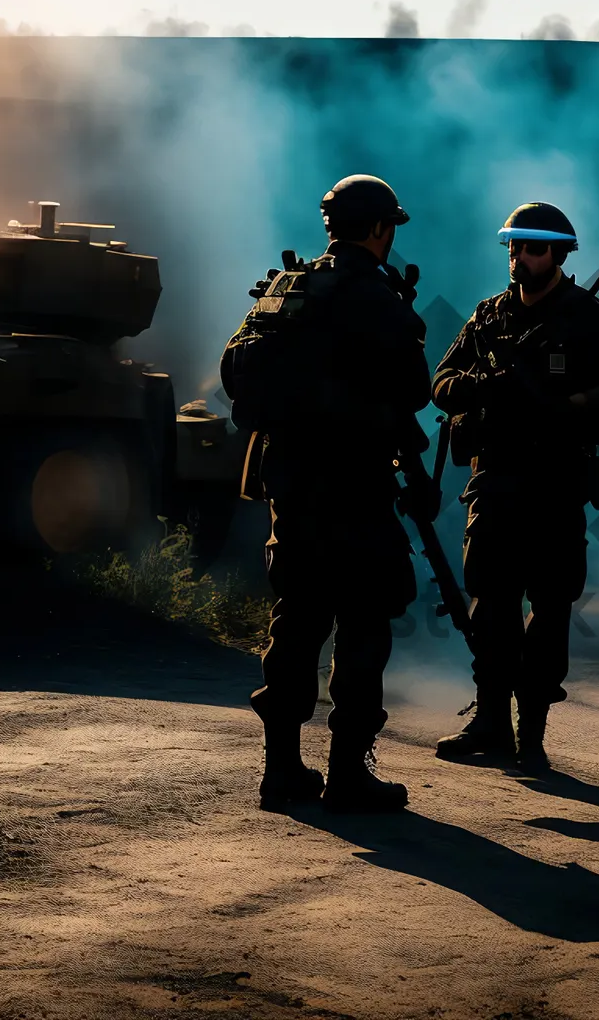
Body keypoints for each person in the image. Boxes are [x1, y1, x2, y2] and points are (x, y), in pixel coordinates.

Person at [220, 174, 433, 813]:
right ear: (377, 228)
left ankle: (281, 771)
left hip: (292, 485)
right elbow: (416, 390)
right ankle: (348, 773)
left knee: (298, 620)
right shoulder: (376, 295)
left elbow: (238, 365)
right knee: (365, 620)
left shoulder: (290, 288)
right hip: (356, 484)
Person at [430, 203, 599, 771]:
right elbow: (440, 383)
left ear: (560, 254)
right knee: (491, 604)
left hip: (556, 483)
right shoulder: (489, 317)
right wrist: (479, 386)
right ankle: (490, 722)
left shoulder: (590, 322)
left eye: (534, 248)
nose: (520, 257)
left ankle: (532, 731)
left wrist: (566, 408)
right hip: (494, 480)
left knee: (549, 608)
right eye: (514, 247)